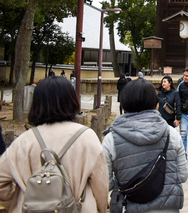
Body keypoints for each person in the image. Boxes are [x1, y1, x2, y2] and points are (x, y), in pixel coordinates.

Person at [0, 76, 108, 212]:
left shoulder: (23, 140)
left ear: (37, 103)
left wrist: (16, 201)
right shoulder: (87, 137)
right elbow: (101, 186)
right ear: (72, 101)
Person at [103, 78, 188, 212]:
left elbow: (105, 184)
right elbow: (183, 176)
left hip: (129, 205)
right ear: (156, 104)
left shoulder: (111, 139)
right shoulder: (172, 134)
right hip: (167, 208)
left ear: (124, 104)